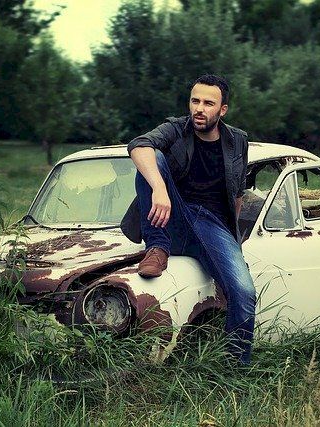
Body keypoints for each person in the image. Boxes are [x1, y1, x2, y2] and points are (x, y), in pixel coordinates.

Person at [120, 74, 256, 364]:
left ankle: (236, 368)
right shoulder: (175, 129)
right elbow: (138, 145)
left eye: (208, 103)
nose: (199, 109)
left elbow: (238, 194)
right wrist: (160, 189)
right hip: (175, 215)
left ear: (223, 110)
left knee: (244, 292)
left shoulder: (238, 141)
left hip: (212, 225)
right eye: (195, 101)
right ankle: (157, 246)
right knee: (151, 158)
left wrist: (233, 244)